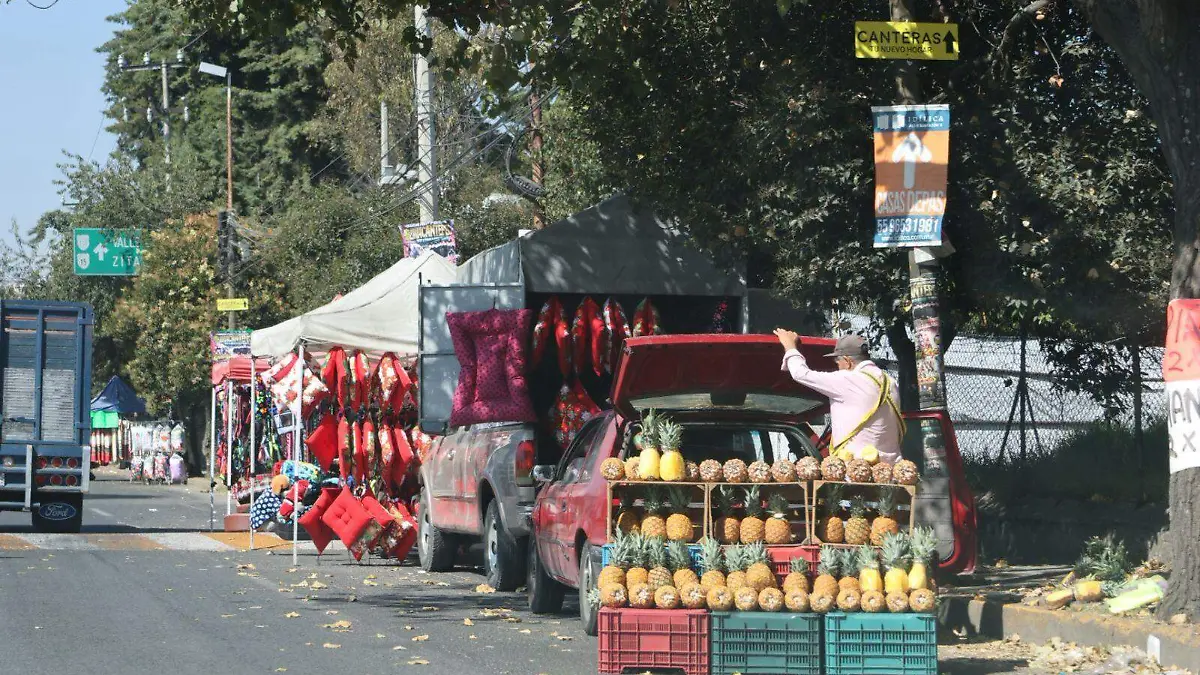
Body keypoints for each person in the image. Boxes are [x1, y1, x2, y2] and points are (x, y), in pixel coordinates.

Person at [773, 329, 905, 464]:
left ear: (847, 361)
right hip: (893, 470)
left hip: (859, 472)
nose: (838, 368)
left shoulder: (849, 379)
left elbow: (800, 373)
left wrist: (790, 347)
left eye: (838, 364)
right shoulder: (890, 382)